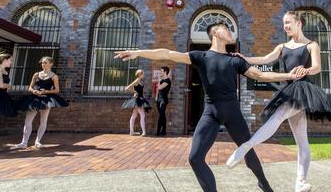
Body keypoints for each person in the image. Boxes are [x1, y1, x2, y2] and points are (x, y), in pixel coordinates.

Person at [114, 22, 301, 192]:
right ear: (215, 34)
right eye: (225, 28)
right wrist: (138, 52)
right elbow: (167, 53)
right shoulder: (200, 57)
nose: (229, 31)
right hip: (211, 113)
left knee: (247, 151)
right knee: (195, 158)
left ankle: (264, 184)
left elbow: (260, 75)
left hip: (233, 114)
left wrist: (289, 76)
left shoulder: (235, 59)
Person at [225, 11, 331, 192]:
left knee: (279, 117)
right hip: (289, 89)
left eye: (288, 22)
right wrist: (244, 58)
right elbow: (265, 59)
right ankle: (300, 182)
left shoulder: (311, 45)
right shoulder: (282, 46)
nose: (285, 26)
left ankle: (245, 147)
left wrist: (305, 70)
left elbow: (317, 67)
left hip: (303, 90)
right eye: (284, 23)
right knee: (301, 139)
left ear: (299, 23)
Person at [12, 56, 68, 149]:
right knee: (28, 120)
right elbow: (30, 87)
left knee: (43, 120)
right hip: (34, 99)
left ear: (51, 64)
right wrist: (33, 91)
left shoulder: (54, 76)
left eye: (45, 62)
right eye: (42, 63)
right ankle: (24, 142)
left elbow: (57, 90)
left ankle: (37, 141)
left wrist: (46, 91)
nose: (43, 64)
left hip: (46, 99)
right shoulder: (36, 74)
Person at [122, 69, 151, 136]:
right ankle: (143, 132)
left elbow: (142, 92)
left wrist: (143, 99)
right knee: (142, 115)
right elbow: (127, 88)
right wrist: (135, 92)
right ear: (140, 74)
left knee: (134, 115)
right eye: (143, 74)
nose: (144, 75)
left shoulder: (141, 81)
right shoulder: (137, 80)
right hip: (137, 100)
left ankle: (131, 131)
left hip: (140, 99)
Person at [155, 66, 172, 136]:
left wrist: (159, 81)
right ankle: (164, 131)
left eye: (161, 71)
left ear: (165, 72)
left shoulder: (168, 80)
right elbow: (157, 90)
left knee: (161, 115)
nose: (160, 72)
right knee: (162, 115)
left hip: (164, 100)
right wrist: (156, 96)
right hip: (158, 99)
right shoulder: (161, 80)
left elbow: (159, 87)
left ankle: (158, 131)